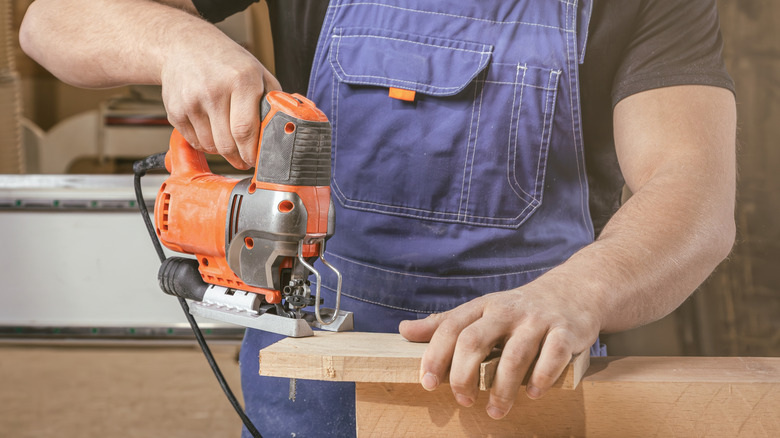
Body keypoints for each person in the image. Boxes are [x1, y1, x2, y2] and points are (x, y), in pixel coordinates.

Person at [20, 0, 737, 436]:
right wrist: (173, 41)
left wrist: (576, 294)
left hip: (527, 386)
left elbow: (694, 194)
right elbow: (49, 21)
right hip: (315, 381)